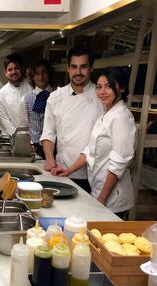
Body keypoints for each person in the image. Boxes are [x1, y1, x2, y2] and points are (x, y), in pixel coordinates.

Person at [52, 68, 136, 220]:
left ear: (122, 88)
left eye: (108, 86)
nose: (102, 91)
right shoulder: (105, 114)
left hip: (113, 198)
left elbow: (118, 163)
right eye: (99, 86)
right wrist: (68, 170)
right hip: (98, 190)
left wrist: (102, 198)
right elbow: (89, 150)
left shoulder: (122, 118)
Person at [40, 45, 103, 193]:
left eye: (83, 67)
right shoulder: (55, 97)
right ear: (68, 68)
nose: (78, 72)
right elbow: (49, 133)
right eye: (74, 67)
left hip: (92, 175)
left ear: (91, 68)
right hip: (62, 170)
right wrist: (50, 159)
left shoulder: (101, 96)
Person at [18, 58, 55, 159]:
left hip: (56, 148)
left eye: (44, 72)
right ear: (32, 77)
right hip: (35, 149)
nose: (41, 76)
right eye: (37, 73)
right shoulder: (25, 99)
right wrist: (29, 144)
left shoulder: (58, 96)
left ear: (49, 74)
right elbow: (23, 127)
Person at [0, 53, 32, 135]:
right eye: (10, 69)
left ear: (22, 69)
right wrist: (19, 138)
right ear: (5, 72)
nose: (13, 72)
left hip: (34, 138)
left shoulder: (32, 89)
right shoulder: (1, 95)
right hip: (14, 137)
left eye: (16, 68)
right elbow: (5, 121)